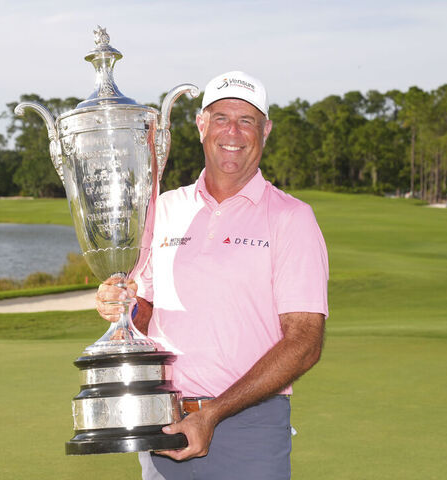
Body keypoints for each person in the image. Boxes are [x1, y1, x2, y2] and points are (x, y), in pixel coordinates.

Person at [96, 71, 329, 480]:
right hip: (163, 420)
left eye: (247, 120)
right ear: (202, 125)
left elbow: (305, 341)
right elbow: (146, 314)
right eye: (221, 117)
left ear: (266, 130)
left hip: (249, 426)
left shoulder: (292, 217)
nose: (233, 131)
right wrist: (121, 309)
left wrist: (213, 413)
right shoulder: (162, 208)